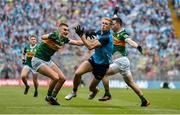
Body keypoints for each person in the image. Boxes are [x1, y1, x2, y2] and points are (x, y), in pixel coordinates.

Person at [99, 17, 150, 107]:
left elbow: (129, 41)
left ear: (118, 24)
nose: (111, 26)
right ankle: (144, 101)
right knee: (130, 83)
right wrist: (114, 13)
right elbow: (113, 21)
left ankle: (107, 94)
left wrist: (137, 46)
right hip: (123, 61)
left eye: (113, 24)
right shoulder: (113, 32)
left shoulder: (122, 34)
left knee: (103, 72)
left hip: (121, 61)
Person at [31, 23, 83, 105]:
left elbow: (77, 42)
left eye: (68, 30)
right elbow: (42, 37)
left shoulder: (64, 39)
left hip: (47, 61)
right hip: (38, 60)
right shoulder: (54, 35)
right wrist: (50, 36)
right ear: (59, 29)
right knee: (55, 77)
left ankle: (53, 98)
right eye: (64, 29)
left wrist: (87, 40)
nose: (66, 31)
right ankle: (48, 97)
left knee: (62, 78)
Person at [65, 18, 113, 100]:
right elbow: (83, 42)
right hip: (94, 60)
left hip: (102, 65)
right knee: (77, 73)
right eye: (103, 23)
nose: (104, 25)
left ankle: (95, 91)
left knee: (91, 88)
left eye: (106, 24)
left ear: (110, 26)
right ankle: (74, 92)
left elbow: (90, 46)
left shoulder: (106, 37)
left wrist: (81, 36)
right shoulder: (98, 33)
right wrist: (66, 40)